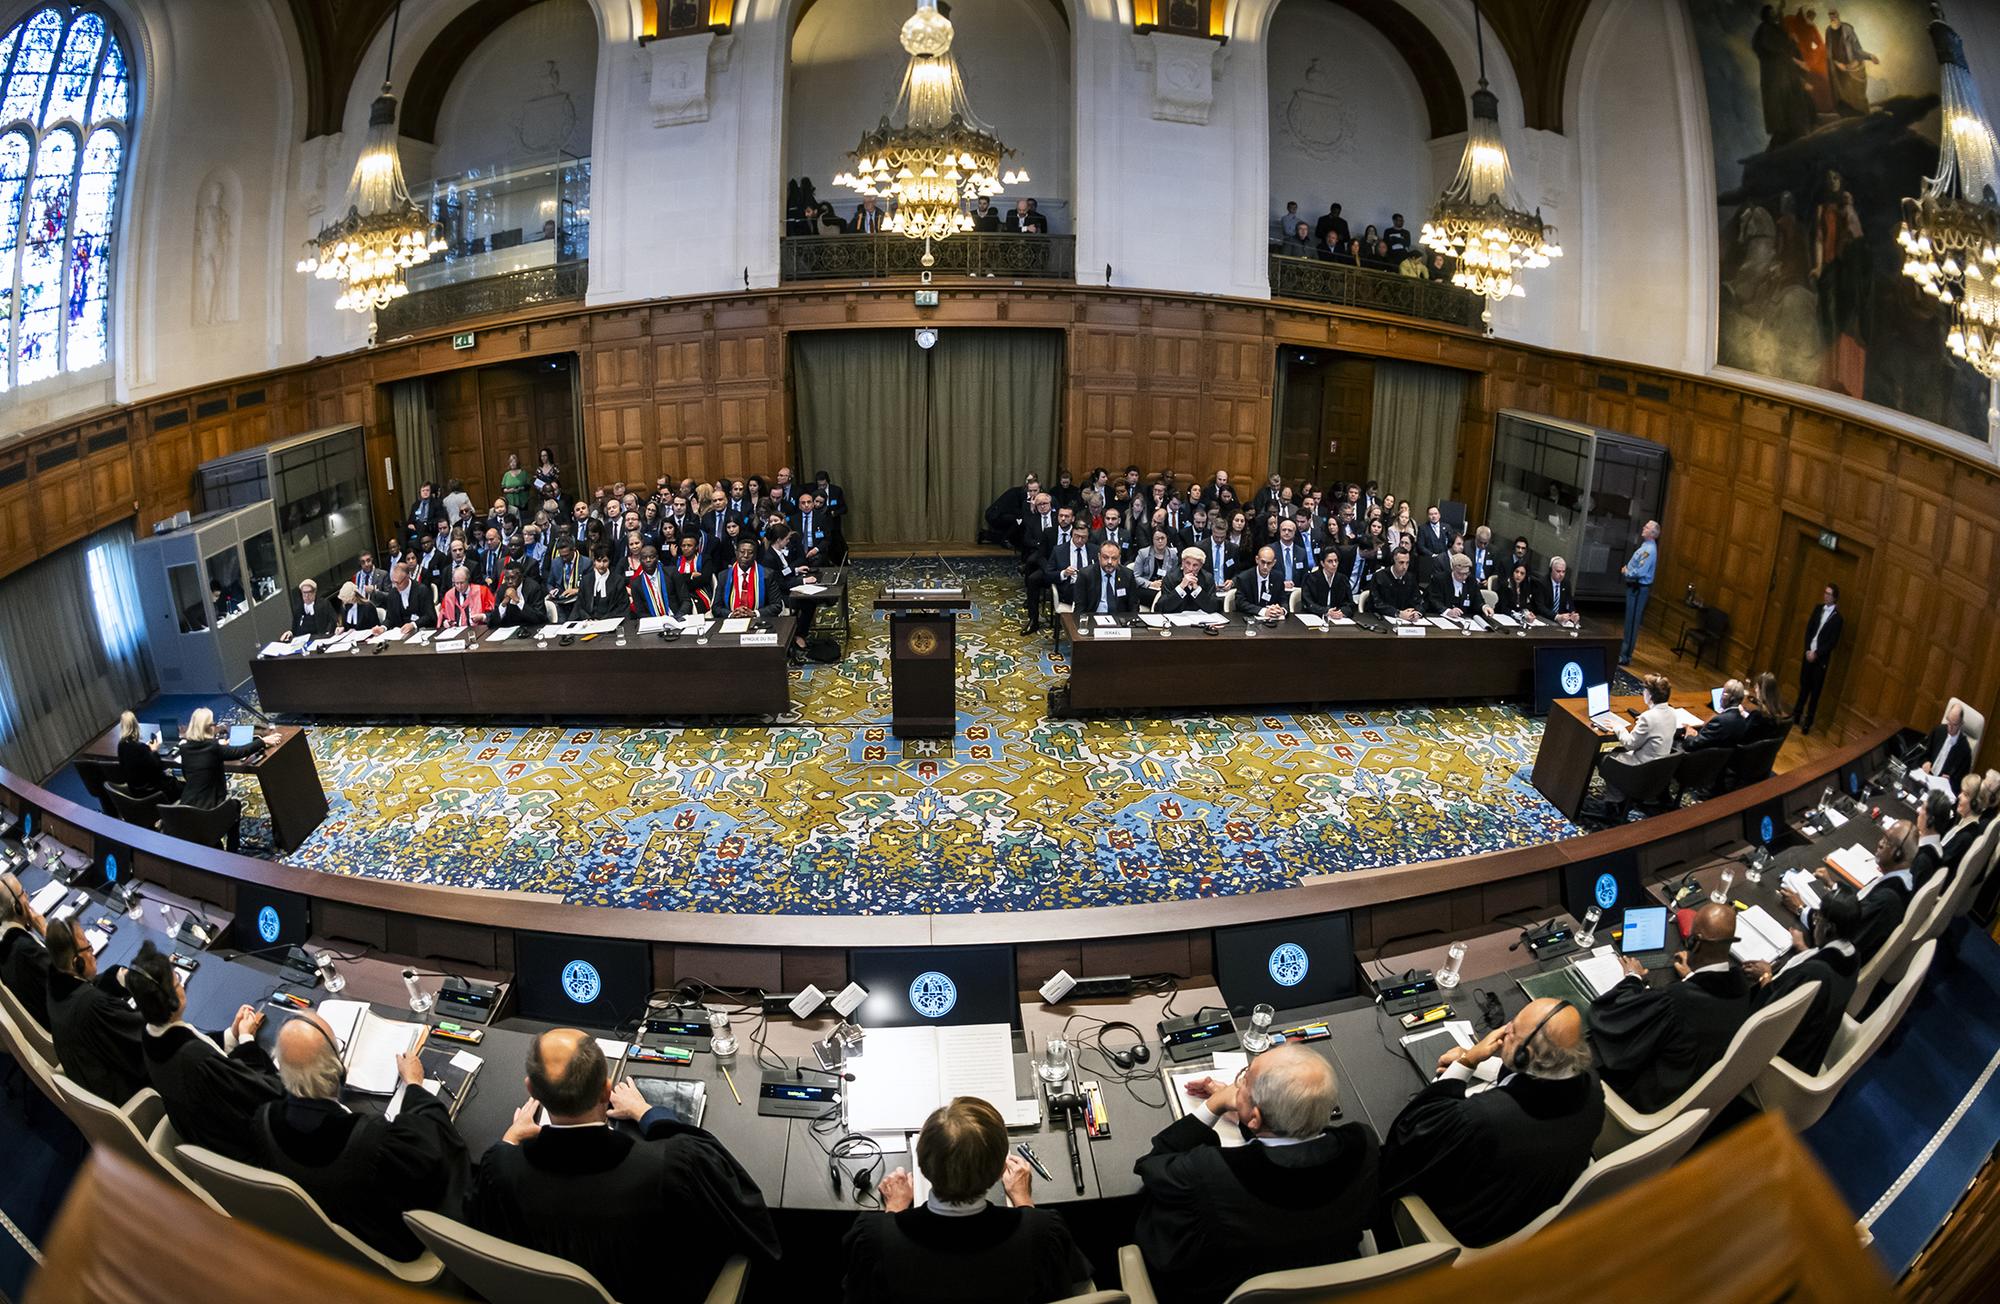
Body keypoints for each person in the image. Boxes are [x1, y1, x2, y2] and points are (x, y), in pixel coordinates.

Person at [465, 1030, 778, 1303]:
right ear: (606, 1090)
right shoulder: (670, 1167)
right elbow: (747, 1209)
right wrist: (648, 1113)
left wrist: (509, 1139)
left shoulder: (501, 1168)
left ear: (531, 1089)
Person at [1133, 1045, 1376, 1304]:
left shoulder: (1210, 1172)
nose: (1238, 1086)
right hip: (1332, 1284)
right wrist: (1252, 1115)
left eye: (1244, 1081)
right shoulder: (1363, 1143)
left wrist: (1213, 1105)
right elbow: (1293, 1154)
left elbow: (1153, 1166)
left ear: (1255, 1118)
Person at [1379, 999, 1603, 1247]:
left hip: (1474, 1227)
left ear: (1523, 1055)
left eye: (1512, 1030)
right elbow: (1533, 1080)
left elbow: (1409, 1137)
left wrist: (1466, 1062)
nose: (1504, 1029)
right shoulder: (1591, 1086)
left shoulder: (1482, 1119)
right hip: (1534, 1207)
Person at [250, 1012, 466, 1263]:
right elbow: (434, 1155)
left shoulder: (263, 1120)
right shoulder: (371, 1140)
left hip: (330, 1245)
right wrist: (415, 1087)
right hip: (393, 1247)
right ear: (337, 1070)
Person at [843, 1096, 1090, 1304]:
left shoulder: (874, 1237)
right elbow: (1064, 1286)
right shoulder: (1043, 1230)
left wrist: (893, 1212)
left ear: (922, 1163)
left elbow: (858, 1295)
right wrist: (1024, 1202)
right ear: (998, 1171)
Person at [125, 941, 284, 1163]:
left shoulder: (151, 1035)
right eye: (176, 980)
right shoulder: (194, 1058)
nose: (181, 983)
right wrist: (247, 1041)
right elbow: (259, 1092)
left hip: (205, 1134)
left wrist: (233, 1034)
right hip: (243, 1145)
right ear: (170, 1000)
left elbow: (205, 1051)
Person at [1588, 903, 1754, 1112]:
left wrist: (1633, 977)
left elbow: (1615, 1020)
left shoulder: (1679, 1000)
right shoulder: (1742, 987)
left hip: (1647, 1099)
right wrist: (1693, 976)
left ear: (1695, 942)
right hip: (1690, 1093)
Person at [1746, 895, 1861, 1074]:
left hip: (1780, 1056)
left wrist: (1766, 975)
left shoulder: (1814, 973)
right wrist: (1805, 951)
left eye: (1818, 918)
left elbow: (1770, 1012)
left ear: (1829, 928)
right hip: (1811, 1045)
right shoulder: (1852, 956)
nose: (1815, 923)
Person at [44, 917, 146, 1105]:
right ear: (77, 962)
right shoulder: (93, 1005)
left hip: (94, 1078)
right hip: (128, 1092)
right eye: (88, 948)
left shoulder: (55, 985)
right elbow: (144, 1040)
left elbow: (88, 988)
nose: (93, 953)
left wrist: (116, 976)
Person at [1786, 819, 1917, 966]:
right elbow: (1860, 902)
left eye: (1886, 841)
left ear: (1898, 854)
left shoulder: (1886, 900)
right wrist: (1833, 884)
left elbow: (1841, 937)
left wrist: (1801, 910)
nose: (1880, 843)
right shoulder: (1901, 881)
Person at [178, 708, 276, 810]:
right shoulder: (213, 748)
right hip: (210, 808)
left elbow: (186, 775)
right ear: (209, 728)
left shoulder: (184, 748)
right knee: (235, 805)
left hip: (186, 807)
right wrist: (262, 741)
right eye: (213, 724)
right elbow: (240, 751)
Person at [0, 871, 50, 1029]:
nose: (27, 897)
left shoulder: (7, 942)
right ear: (16, 906)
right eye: (23, 893)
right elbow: (73, 978)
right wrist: (45, 931)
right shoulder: (26, 950)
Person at [1798, 583, 1843, 733]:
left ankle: (1808, 722)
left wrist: (1816, 654)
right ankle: (1796, 715)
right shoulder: (1818, 609)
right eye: (1825, 592)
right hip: (1808, 653)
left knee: (1815, 692)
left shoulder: (1837, 619)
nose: (1826, 595)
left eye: (1829, 594)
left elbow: (1832, 642)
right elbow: (1809, 629)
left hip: (1820, 660)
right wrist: (1807, 650)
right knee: (1803, 686)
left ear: (1835, 598)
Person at [115, 709, 182, 801]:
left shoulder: (121, 745)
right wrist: (154, 751)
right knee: (179, 785)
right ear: (136, 725)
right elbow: (157, 768)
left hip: (135, 791)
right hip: (153, 791)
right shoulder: (141, 748)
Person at [1617, 520, 1659, 665]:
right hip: (1635, 587)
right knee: (1629, 621)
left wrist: (1627, 572)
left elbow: (1640, 571)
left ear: (1653, 534)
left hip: (1638, 589)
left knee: (1632, 622)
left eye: (1646, 527)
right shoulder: (1646, 546)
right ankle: (1624, 652)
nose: (1643, 528)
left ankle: (1625, 655)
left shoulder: (1649, 550)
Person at [1613, 674, 1679, 762]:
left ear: (1650, 695)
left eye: (1645, 690)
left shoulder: (1648, 718)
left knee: (1603, 756)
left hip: (1640, 766)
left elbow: (1630, 744)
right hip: (1659, 766)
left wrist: (1618, 727)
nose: (1643, 692)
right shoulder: (1672, 712)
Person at [716, 539, 783, 618]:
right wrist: (731, 614)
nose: (745, 555)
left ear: (755, 555)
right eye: (742, 552)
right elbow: (716, 607)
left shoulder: (767, 575)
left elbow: (777, 605)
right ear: (736, 553)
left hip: (758, 620)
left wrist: (755, 613)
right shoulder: (724, 576)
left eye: (750, 553)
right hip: (732, 621)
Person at [1918, 701, 1974, 794]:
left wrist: (1950, 781)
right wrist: (1925, 762)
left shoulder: (1965, 750)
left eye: (1954, 725)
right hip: (1925, 779)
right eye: (1949, 722)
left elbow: (1962, 783)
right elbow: (1924, 754)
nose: (1950, 727)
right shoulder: (1938, 731)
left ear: (1961, 724)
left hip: (1941, 791)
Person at [1684, 679, 1753, 751]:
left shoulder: (1720, 721)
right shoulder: (1742, 721)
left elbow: (1691, 745)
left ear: (1726, 697)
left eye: (1723, 692)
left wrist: (1689, 735)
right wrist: (1699, 735)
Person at [1075, 542, 1137, 616]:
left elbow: (1133, 605)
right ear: (1099, 556)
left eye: (1114, 558)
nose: (1109, 562)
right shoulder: (1086, 574)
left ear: (1119, 558)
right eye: (1105, 557)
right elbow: (1080, 606)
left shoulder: (1128, 575)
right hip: (1093, 617)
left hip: (1119, 619)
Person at [1155, 548, 1220, 615]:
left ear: (1201, 566)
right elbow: (1161, 608)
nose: (1190, 568)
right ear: (1183, 562)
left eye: (1195, 565)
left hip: (1200, 620)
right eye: (1188, 563)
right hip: (1176, 620)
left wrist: (1197, 590)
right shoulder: (1170, 578)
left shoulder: (1207, 578)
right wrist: (1181, 587)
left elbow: (1213, 607)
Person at [375, 560, 434, 634]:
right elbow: (389, 618)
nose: (396, 586)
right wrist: (383, 627)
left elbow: (430, 616)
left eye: (398, 583)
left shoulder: (422, 590)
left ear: (407, 577)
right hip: (400, 635)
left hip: (421, 632)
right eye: (394, 582)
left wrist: (413, 624)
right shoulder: (393, 593)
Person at [1424, 553, 1486, 619]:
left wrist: (1484, 607)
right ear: (1453, 569)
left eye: (1466, 573)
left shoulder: (1471, 581)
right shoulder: (1440, 579)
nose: (1464, 577)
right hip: (1441, 618)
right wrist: (1447, 611)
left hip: (1464, 619)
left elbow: (1478, 600)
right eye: (1460, 573)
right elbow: (1434, 601)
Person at [1369, 547, 1422, 621]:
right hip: (1383, 619)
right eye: (1401, 562)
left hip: (1407, 619)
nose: (1405, 567)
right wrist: (1398, 613)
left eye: (1407, 563)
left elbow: (1418, 600)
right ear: (1393, 561)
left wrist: (1416, 612)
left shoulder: (1410, 578)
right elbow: (1376, 604)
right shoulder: (1379, 577)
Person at [1300, 547, 1354, 619]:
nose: (1334, 564)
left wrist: (1342, 612)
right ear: (1322, 563)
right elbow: (1308, 603)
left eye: (1336, 561)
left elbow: (1349, 603)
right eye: (1330, 561)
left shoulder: (1342, 579)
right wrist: (1325, 611)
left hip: (1336, 619)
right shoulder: (1311, 578)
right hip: (1315, 617)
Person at [437, 565, 494, 631]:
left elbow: (494, 614)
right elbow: (442, 618)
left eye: (462, 583)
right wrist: (446, 622)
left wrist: (483, 617)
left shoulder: (482, 592)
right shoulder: (449, 595)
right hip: (455, 633)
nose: (459, 586)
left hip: (479, 631)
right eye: (456, 583)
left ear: (468, 580)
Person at [1241, 547, 1286, 617]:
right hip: (1250, 618)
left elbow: (1283, 600)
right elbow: (1241, 603)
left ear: (1274, 563)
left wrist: (1281, 610)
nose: (1265, 567)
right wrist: (1263, 611)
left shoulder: (1278, 577)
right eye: (1263, 562)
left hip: (1273, 620)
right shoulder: (1244, 578)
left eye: (1269, 563)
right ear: (1257, 560)